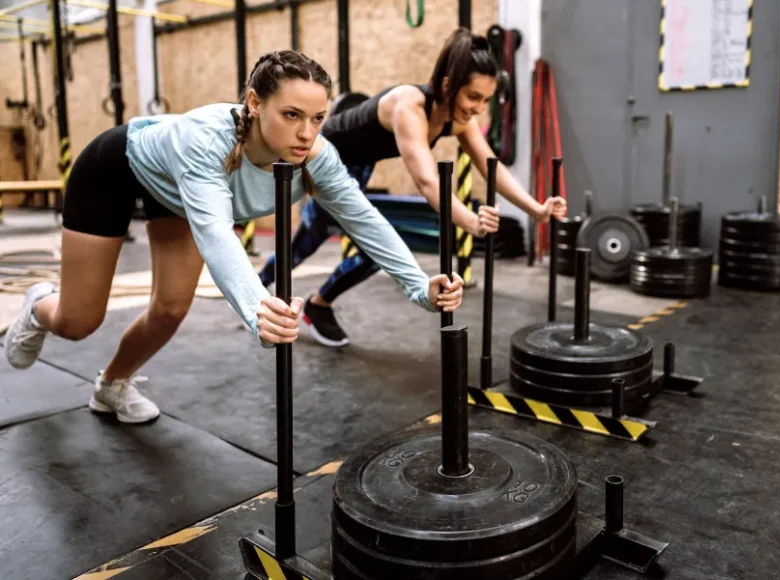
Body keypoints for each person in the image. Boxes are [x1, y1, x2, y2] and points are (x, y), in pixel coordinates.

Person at [4, 50, 464, 424]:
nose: (306, 132)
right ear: (254, 102)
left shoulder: (316, 155)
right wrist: (257, 310)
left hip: (175, 196)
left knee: (168, 310)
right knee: (77, 322)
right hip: (114, 172)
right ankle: (40, 303)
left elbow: (362, 217)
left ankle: (111, 386)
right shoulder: (209, 140)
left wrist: (419, 285)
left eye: (318, 117)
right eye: (291, 114)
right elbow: (216, 234)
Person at [258, 28, 566, 348]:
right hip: (326, 155)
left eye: (486, 100)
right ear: (448, 86)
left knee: (364, 248)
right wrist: (472, 222)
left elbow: (492, 167)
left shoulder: (459, 117)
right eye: (473, 97)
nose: (478, 108)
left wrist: (537, 209)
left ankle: (315, 303)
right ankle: (261, 290)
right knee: (314, 236)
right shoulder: (410, 105)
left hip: (358, 167)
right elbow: (428, 181)